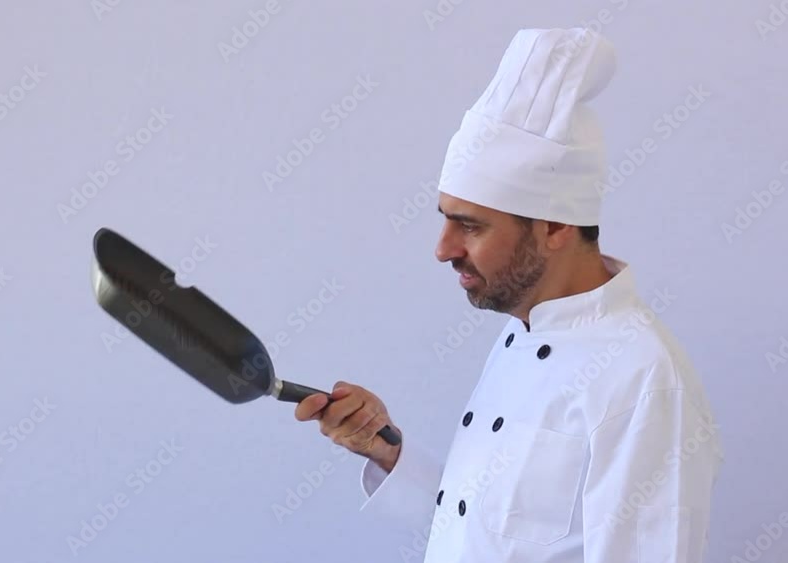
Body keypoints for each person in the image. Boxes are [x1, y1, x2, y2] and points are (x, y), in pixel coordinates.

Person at [295, 27, 724, 563]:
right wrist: (385, 450)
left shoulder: (643, 382)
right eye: (446, 220)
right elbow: (487, 534)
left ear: (555, 227)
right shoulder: (523, 329)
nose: (443, 249)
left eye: (470, 226)